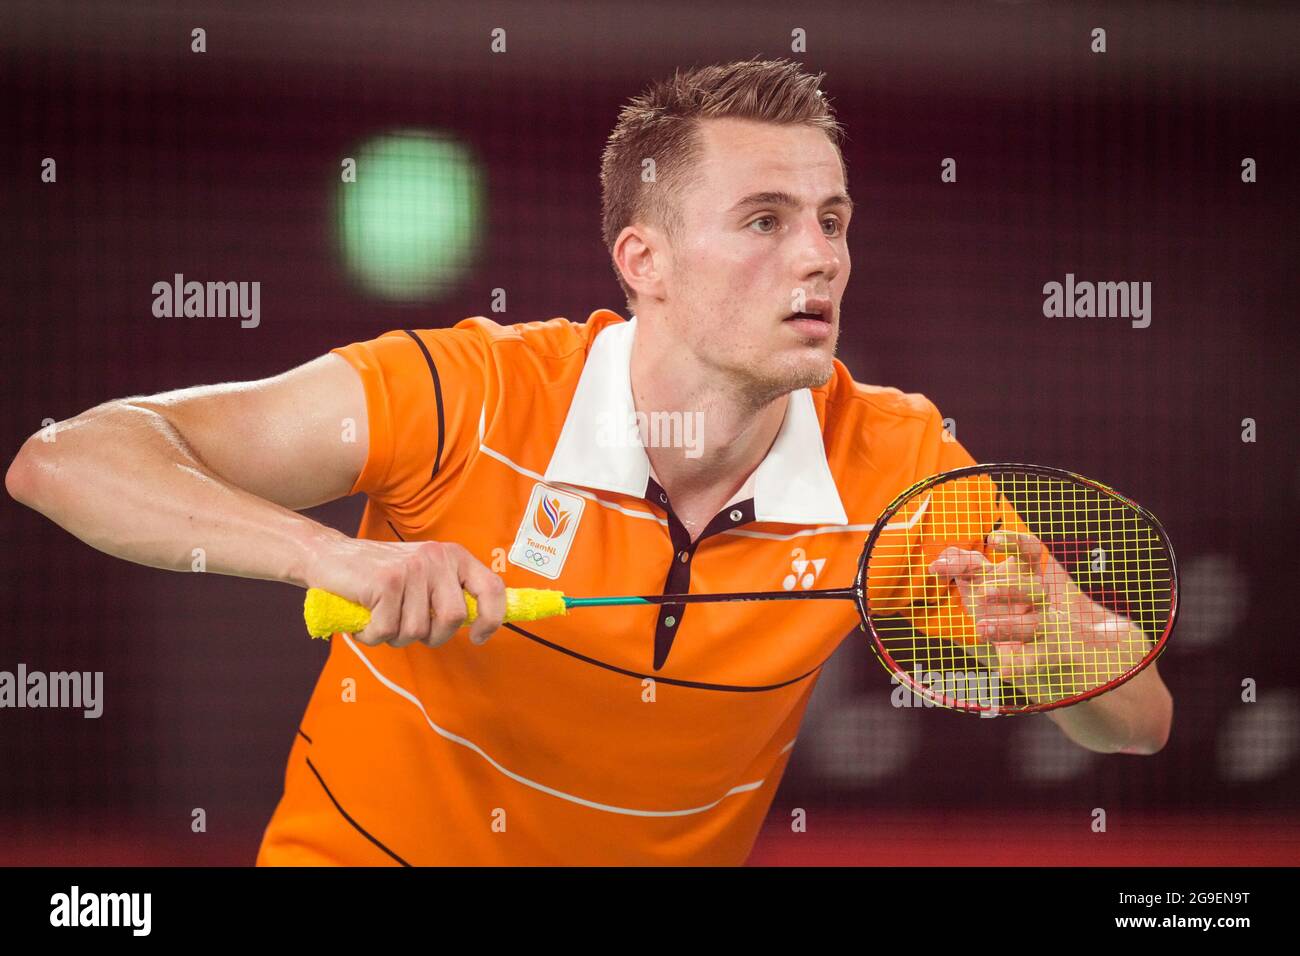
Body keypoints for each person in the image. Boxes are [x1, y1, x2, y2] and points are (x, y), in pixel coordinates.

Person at [5, 59, 1172, 866]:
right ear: (643, 258)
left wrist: (1069, 645)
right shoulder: (468, 392)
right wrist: (337, 559)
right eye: (765, 219)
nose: (818, 256)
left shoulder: (897, 462)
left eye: (834, 219)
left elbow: (1142, 723)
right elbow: (66, 460)